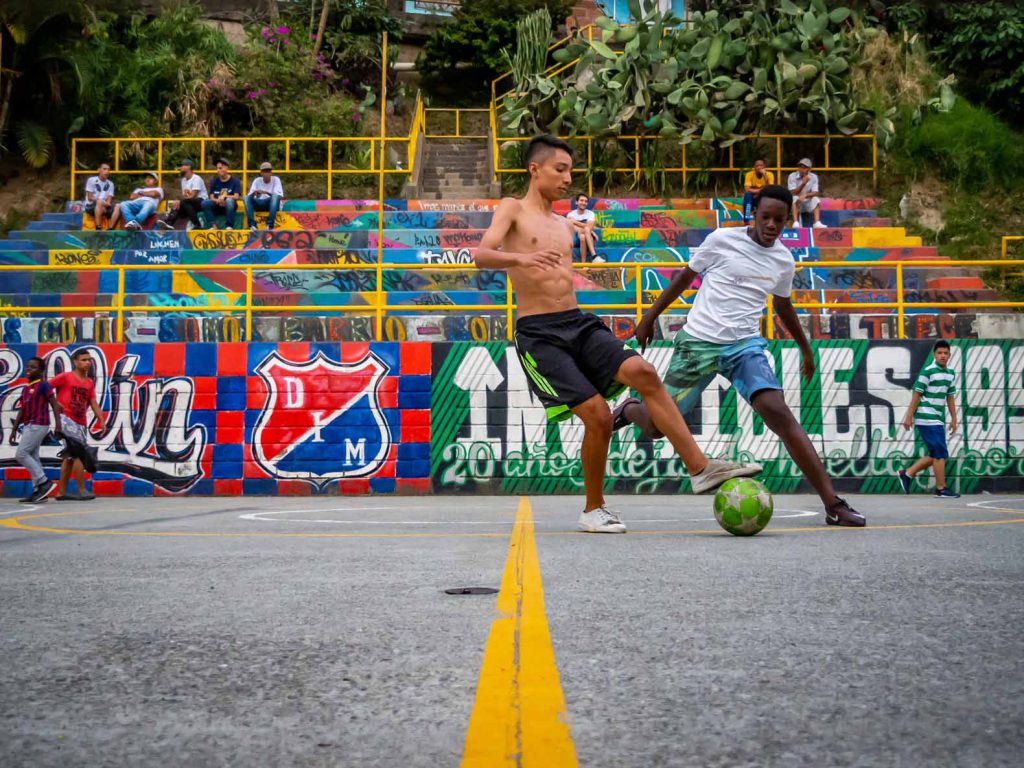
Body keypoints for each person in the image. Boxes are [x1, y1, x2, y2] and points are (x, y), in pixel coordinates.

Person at [475, 134, 760, 534]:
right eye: (560, 170)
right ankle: (594, 509)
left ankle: (700, 469)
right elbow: (480, 253)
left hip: (577, 321)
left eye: (570, 171)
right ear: (534, 169)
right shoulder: (513, 209)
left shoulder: (565, 224)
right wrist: (522, 256)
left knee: (643, 373)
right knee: (597, 418)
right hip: (538, 333)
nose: (567, 178)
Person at [613, 185, 866, 527]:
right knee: (657, 428)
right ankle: (630, 409)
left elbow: (783, 305)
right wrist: (649, 316)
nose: (772, 225)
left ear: (788, 219)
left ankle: (833, 504)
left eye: (780, 219)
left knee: (779, 412)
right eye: (766, 217)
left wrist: (805, 349)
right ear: (754, 215)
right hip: (697, 344)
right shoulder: (722, 240)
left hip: (744, 348)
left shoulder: (782, 260)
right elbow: (685, 277)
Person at [897, 340, 960, 498]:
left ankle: (907, 473)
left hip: (938, 418)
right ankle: (941, 488)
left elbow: (950, 397)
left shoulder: (950, 373)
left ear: (949, 355)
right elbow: (917, 394)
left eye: (945, 353)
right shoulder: (928, 372)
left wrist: (954, 418)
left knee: (935, 452)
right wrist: (909, 416)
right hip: (925, 417)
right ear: (934, 354)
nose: (942, 356)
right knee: (939, 451)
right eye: (939, 353)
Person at [50, 349, 106, 501]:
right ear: (75, 361)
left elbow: (93, 402)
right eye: (83, 360)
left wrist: (101, 419)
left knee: (69, 457)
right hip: (67, 421)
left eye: (89, 360)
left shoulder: (89, 382)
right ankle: (81, 490)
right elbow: (46, 388)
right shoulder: (66, 377)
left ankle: (61, 492)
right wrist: (56, 403)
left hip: (81, 423)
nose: (87, 362)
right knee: (79, 456)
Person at [9, 357, 62, 503]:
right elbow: (22, 410)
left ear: (41, 371)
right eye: (28, 366)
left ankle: (44, 482)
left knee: (21, 454)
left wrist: (58, 425)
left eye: (33, 367)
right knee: (33, 456)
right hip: (28, 425)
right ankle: (38, 491)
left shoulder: (44, 386)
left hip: (39, 424)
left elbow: (54, 404)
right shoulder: (26, 389)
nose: (28, 369)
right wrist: (14, 430)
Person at [156, 159, 208, 231]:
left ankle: (197, 225)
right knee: (177, 204)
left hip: (201, 202)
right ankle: (169, 223)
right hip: (189, 204)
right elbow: (186, 197)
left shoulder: (196, 178)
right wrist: (178, 202)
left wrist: (180, 201)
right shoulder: (183, 180)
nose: (180, 168)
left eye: (182, 166)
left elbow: (192, 196)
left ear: (189, 167)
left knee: (182, 202)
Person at [202, 158, 242, 229]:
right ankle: (213, 225)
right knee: (205, 203)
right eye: (217, 168)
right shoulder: (214, 181)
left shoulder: (235, 181)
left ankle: (229, 226)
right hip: (217, 205)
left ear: (227, 168)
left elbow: (236, 197)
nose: (218, 170)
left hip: (230, 206)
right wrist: (217, 200)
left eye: (220, 168)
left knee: (229, 201)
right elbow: (211, 197)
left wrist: (225, 197)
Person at [245, 161, 285, 231]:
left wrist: (266, 192)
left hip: (272, 204)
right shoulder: (257, 180)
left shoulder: (276, 179)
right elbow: (250, 195)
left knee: (275, 196)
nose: (267, 173)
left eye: (268, 171)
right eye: (264, 171)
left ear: (271, 172)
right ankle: (252, 225)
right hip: (260, 203)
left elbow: (280, 196)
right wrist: (255, 192)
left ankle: (269, 225)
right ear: (261, 173)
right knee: (246, 197)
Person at [787, 158, 826, 228]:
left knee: (815, 199)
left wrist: (805, 195)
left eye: (804, 167)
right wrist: (803, 183)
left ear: (809, 169)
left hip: (807, 203)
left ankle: (817, 222)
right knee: (794, 198)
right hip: (796, 204)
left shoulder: (814, 177)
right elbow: (792, 192)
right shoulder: (792, 176)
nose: (802, 169)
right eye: (800, 167)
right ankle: (796, 222)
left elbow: (815, 192)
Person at [566, 193, 602, 263]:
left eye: (586, 201)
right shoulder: (571, 214)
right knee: (585, 232)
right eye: (581, 200)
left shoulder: (590, 214)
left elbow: (589, 226)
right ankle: (594, 256)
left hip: (586, 237)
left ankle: (583, 264)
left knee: (583, 236)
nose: (584, 203)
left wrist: (575, 222)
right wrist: (590, 231)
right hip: (575, 238)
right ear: (576, 202)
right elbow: (575, 228)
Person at [83, 162, 115, 230]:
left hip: (104, 205)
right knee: (99, 202)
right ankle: (98, 227)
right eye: (104, 169)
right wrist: (100, 202)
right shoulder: (91, 180)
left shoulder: (111, 184)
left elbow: (109, 201)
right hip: (91, 206)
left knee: (118, 206)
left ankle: (110, 228)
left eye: (108, 170)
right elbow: (90, 198)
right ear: (99, 170)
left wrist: (104, 204)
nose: (106, 171)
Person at [742, 158, 775, 224]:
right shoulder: (749, 174)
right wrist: (761, 191)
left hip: (763, 197)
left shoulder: (770, 174)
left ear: (764, 167)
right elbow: (747, 189)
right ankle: (746, 220)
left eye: (761, 165)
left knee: (768, 196)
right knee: (747, 196)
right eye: (757, 166)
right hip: (752, 197)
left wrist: (764, 175)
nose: (759, 167)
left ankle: (764, 219)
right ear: (754, 167)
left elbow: (770, 188)